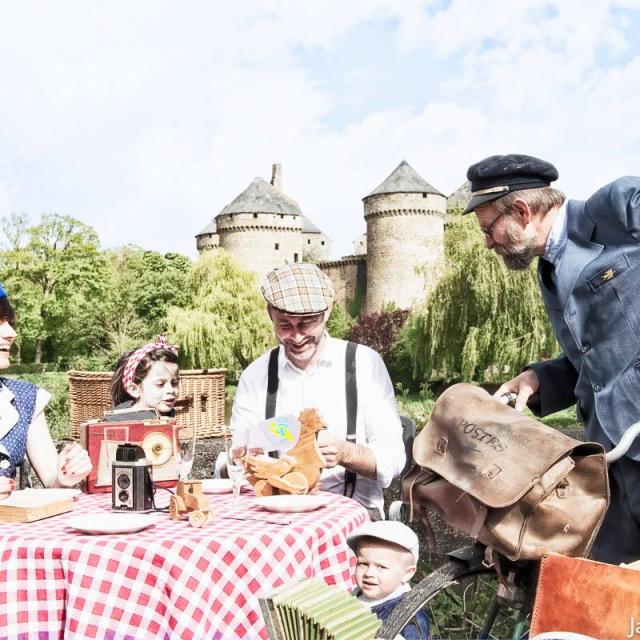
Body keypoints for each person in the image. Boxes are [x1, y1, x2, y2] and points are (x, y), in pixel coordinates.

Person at [463, 153, 640, 564]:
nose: (488, 241)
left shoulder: (619, 206)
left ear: (522, 211)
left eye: (489, 229)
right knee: (608, 598)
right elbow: (594, 357)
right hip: (610, 463)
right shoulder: (549, 269)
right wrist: (539, 379)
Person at [230, 263, 405, 519]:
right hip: (276, 513)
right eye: (284, 326)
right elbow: (234, 456)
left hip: (355, 514)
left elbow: (394, 459)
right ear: (270, 314)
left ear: (327, 312)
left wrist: (345, 452)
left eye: (306, 324)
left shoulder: (364, 364)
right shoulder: (256, 375)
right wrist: (244, 457)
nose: (297, 337)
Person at [0, 282, 92, 499]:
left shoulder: (25, 398)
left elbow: (53, 481)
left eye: (9, 322)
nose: (11, 332)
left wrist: (65, 474)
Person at [347, 520, 430, 639]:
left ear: (407, 574)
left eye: (381, 567)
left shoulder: (409, 617)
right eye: (363, 564)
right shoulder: (358, 593)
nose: (369, 573)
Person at [105, 335, 180, 422]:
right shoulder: (120, 421)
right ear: (134, 389)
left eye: (175, 383)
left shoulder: (165, 412)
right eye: (160, 384)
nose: (170, 390)